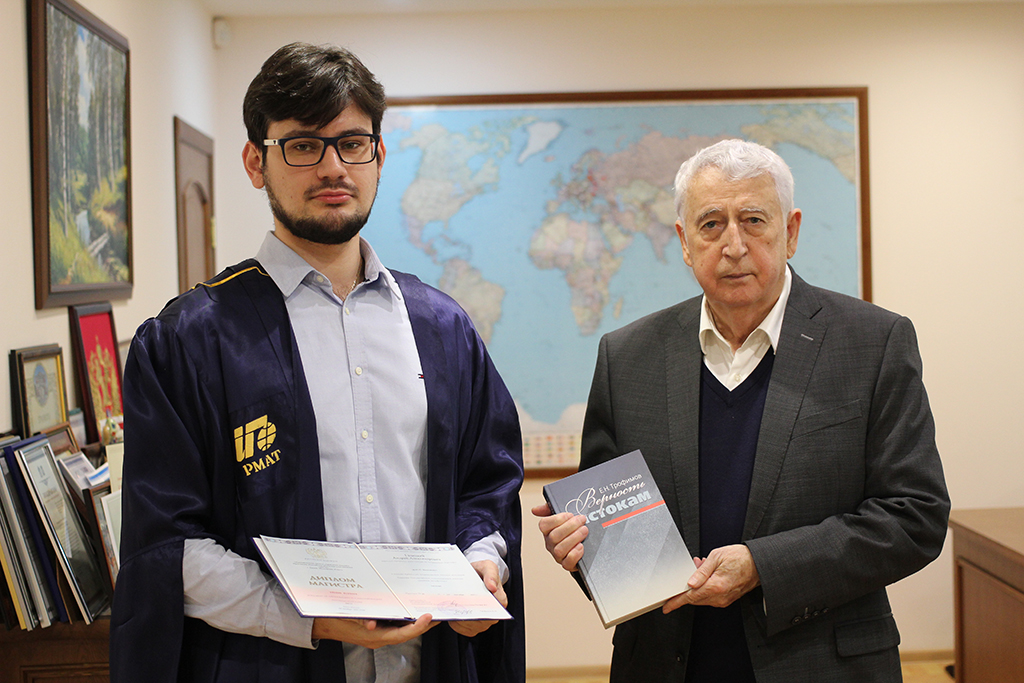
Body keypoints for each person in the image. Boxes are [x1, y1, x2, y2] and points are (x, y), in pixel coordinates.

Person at [110, 42, 525, 683]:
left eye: (352, 143)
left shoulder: (443, 329)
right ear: (256, 162)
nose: (333, 167)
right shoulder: (189, 341)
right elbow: (167, 545)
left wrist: (482, 564)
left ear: (378, 156)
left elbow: (486, 485)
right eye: (303, 145)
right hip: (267, 667)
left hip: (430, 664)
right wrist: (305, 617)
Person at [534, 139, 949, 682]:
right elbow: (608, 530)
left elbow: (915, 516)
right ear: (685, 243)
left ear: (791, 232)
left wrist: (763, 568)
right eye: (711, 224)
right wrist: (581, 550)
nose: (733, 245)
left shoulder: (874, 343)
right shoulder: (627, 357)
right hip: (664, 664)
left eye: (754, 220)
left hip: (822, 665)